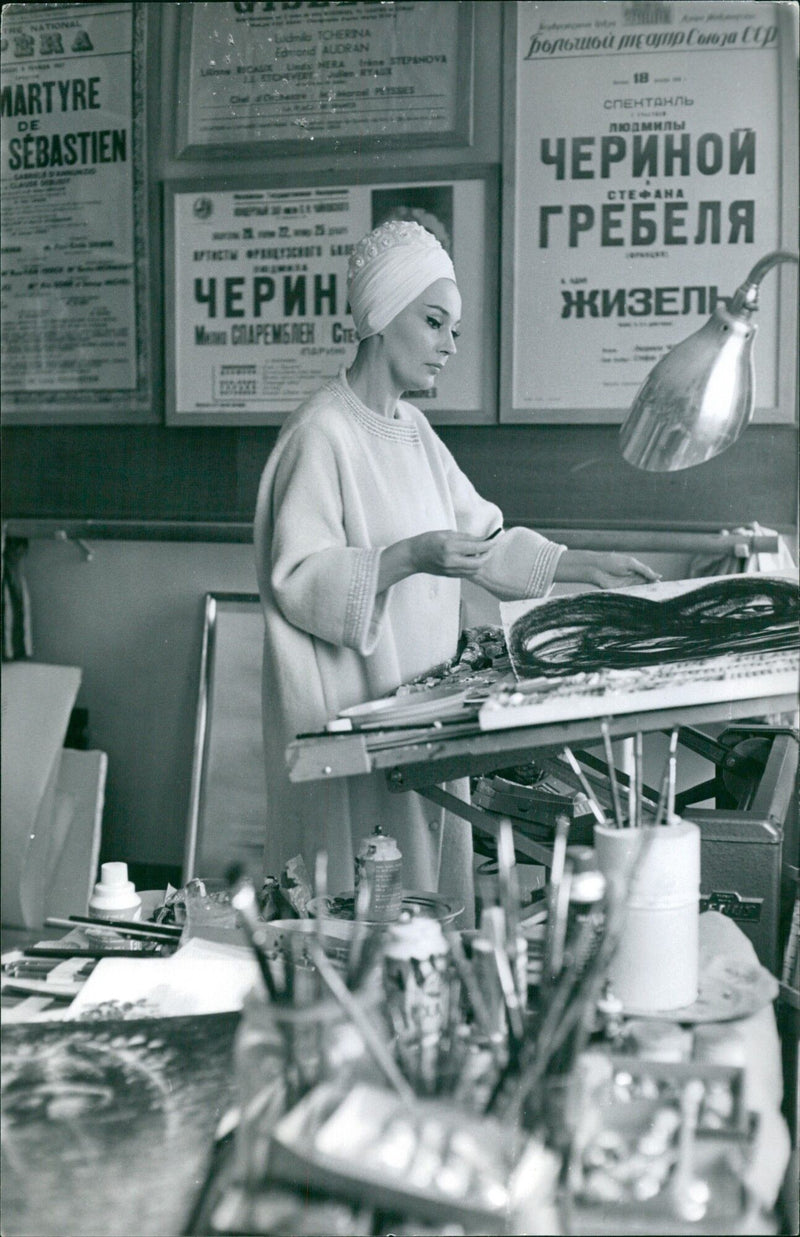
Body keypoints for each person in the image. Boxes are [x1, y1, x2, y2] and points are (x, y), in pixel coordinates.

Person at [254, 220, 658, 921]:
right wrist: (408, 558)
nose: (450, 344)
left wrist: (587, 567)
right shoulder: (322, 433)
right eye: (434, 322)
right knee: (361, 912)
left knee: (429, 897)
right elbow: (296, 576)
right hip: (347, 721)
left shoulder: (414, 431)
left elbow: (482, 540)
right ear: (381, 318)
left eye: (455, 328)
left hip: (419, 715)